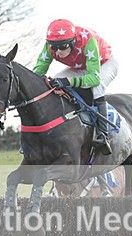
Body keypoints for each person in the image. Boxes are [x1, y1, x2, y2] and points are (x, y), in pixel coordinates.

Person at [33, 18, 118, 155]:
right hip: (81, 67)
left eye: (62, 47)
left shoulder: (88, 40)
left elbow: (94, 79)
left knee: (97, 88)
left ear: (72, 42)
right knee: (54, 82)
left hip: (104, 64)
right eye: (54, 47)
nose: (58, 51)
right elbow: (37, 73)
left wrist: (69, 82)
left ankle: (103, 134)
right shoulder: (50, 46)